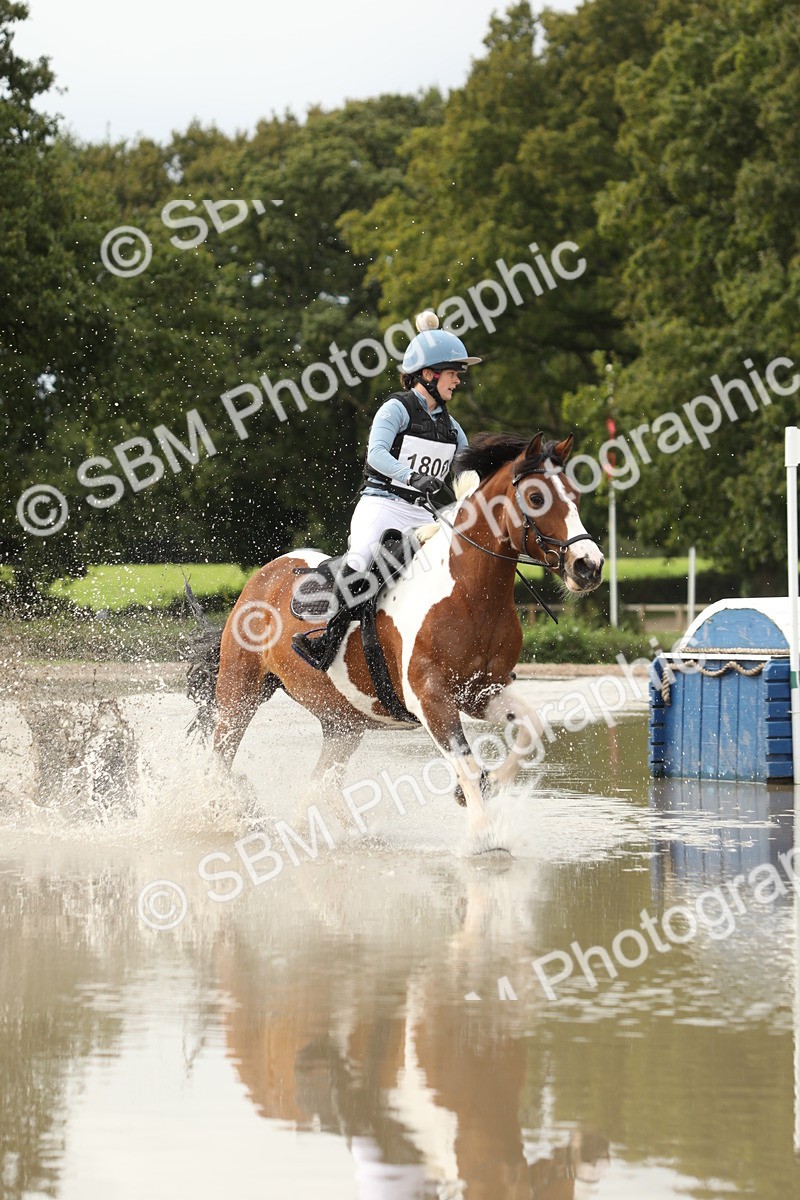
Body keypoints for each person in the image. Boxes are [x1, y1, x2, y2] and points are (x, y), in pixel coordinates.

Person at [292, 310, 481, 669]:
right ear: (429, 374)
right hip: (384, 504)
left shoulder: (452, 428)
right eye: (453, 373)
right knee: (361, 560)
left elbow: (465, 469)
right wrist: (411, 477)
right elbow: (376, 453)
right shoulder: (396, 409)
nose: (458, 381)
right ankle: (324, 640)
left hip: (425, 515)